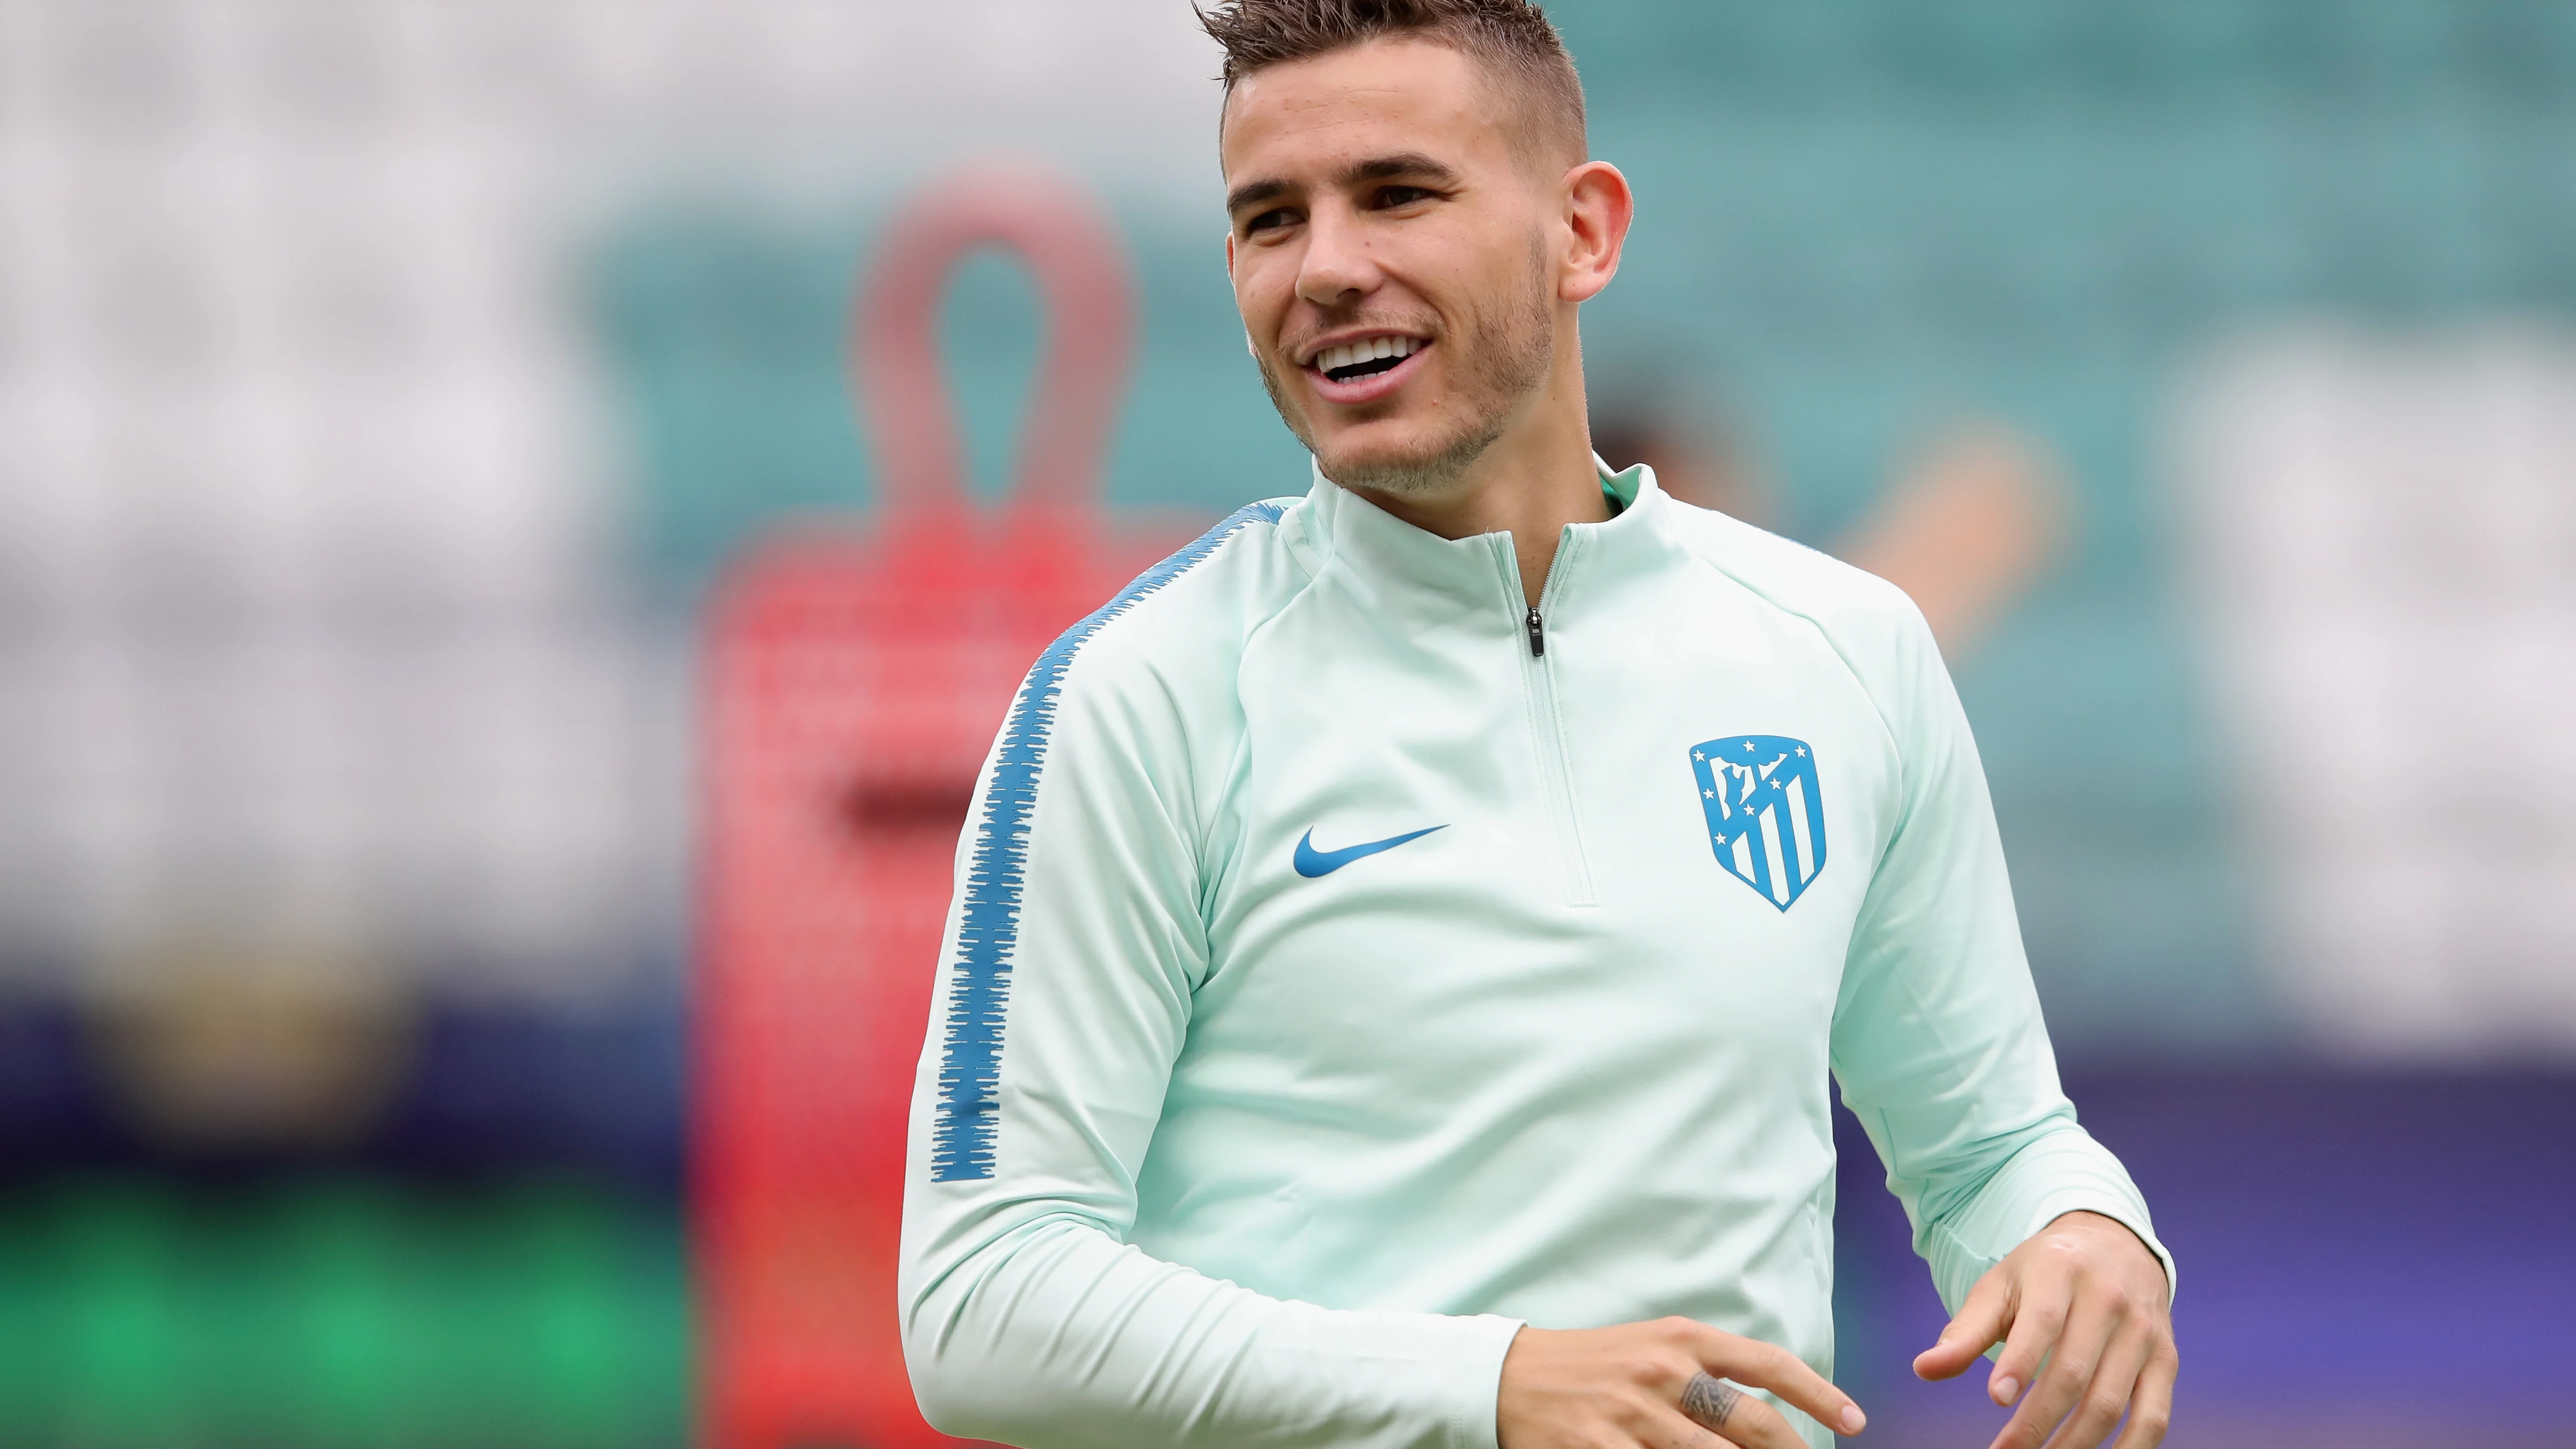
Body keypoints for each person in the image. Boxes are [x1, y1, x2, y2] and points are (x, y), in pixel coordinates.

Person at [898, 3, 2176, 1448]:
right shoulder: (1138, 694)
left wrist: (2087, 1226)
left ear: (1584, 232)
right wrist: (1486, 1387)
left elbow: (1992, 1146)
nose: (1324, 267)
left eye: (1397, 194)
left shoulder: (1845, 653)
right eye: (1270, 219)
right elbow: (980, 1299)